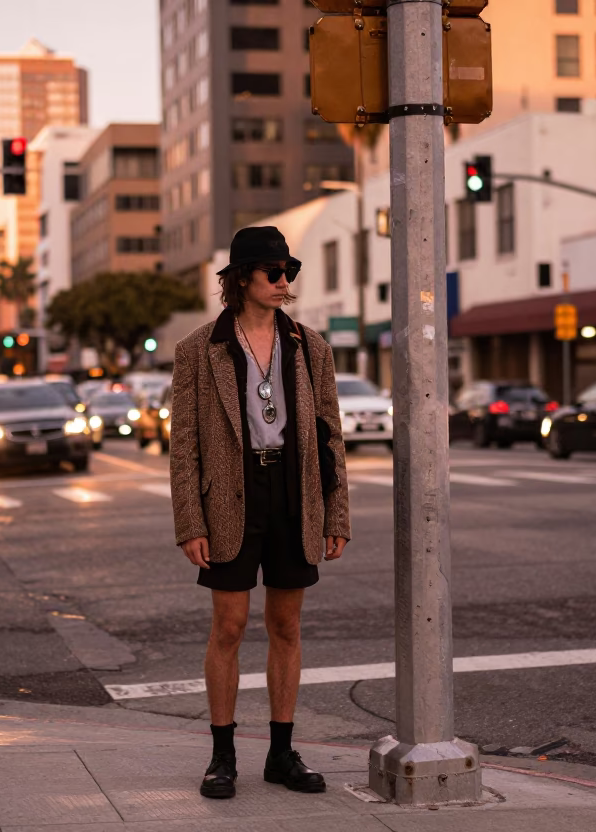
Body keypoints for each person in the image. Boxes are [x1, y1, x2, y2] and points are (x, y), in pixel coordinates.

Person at [169, 226, 351, 800]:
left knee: (286, 626)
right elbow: (184, 444)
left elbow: (330, 436)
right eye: (273, 272)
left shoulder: (309, 346)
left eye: (288, 273)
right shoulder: (199, 350)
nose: (283, 282)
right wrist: (189, 521)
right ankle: (222, 756)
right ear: (241, 278)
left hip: (294, 494)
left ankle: (280, 752)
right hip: (229, 494)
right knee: (228, 627)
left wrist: (336, 513)